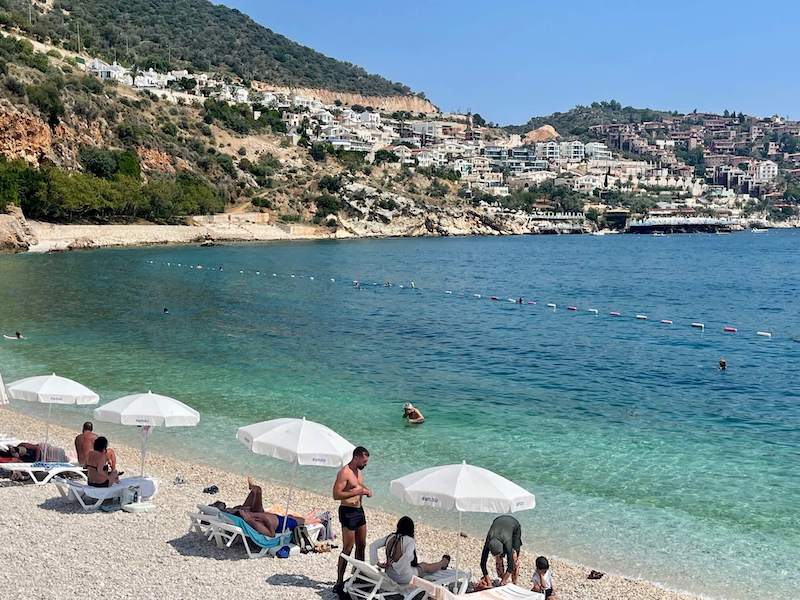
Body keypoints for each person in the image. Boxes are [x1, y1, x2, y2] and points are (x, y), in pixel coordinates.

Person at [333, 446, 372, 596]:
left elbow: (358, 486)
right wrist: (358, 491)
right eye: (364, 461)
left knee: (361, 545)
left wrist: (366, 490)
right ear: (356, 457)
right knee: (348, 548)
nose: (365, 464)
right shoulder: (345, 472)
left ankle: (358, 577)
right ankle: (339, 580)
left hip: (359, 511)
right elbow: (336, 494)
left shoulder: (358, 472)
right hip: (347, 512)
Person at [374, 516, 450, 585]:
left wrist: (378, 563)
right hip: (403, 578)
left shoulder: (390, 537)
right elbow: (409, 557)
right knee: (424, 566)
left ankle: (443, 562)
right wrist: (396, 565)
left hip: (389, 574)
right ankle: (443, 562)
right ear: (411, 529)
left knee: (419, 566)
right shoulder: (409, 541)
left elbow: (373, 546)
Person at [214, 477, 298, 537]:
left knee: (257, 490)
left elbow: (237, 512)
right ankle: (307, 520)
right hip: (282, 523)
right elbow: (271, 534)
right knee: (300, 520)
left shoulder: (241, 515)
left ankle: (253, 489)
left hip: (261, 515)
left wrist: (240, 509)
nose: (229, 509)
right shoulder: (253, 521)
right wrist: (264, 520)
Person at [478, 515, 522, 588]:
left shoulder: (507, 542)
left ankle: (514, 583)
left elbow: (510, 565)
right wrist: (488, 582)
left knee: (514, 559)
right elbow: (482, 563)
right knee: (499, 559)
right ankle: (502, 579)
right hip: (498, 523)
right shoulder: (488, 541)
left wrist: (503, 582)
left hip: (514, 527)